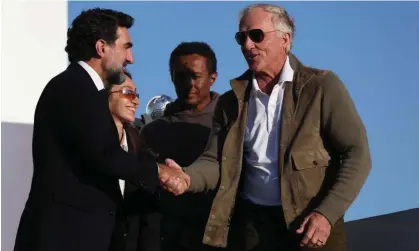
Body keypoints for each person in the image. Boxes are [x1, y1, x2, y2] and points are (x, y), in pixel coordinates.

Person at [162, 3, 372, 251]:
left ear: (285, 39)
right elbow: (216, 160)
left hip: (310, 225)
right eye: (242, 38)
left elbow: (357, 155)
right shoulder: (230, 103)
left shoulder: (321, 87)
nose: (247, 45)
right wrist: (187, 178)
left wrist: (326, 214)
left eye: (256, 35)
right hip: (253, 227)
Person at [13, 8, 187, 251]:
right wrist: (160, 172)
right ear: (102, 47)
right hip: (62, 238)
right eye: (126, 46)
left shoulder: (85, 89)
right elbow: (105, 155)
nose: (131, 58)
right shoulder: (74, 86)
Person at [140, 42, 219, 251]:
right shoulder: (153, 132)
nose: (188, 83)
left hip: (221, 235)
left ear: (213, 78)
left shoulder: (234, 120)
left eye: (196, 76)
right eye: (180, 76)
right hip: (169, 237)